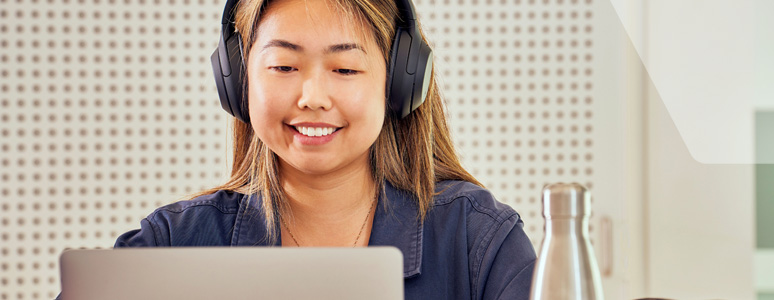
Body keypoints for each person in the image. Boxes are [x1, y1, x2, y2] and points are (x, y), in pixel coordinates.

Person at [113, 0, 537, 298]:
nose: (313, 97)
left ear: (399, 82)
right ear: (238, 82)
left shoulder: (478, 240)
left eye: (345, 68)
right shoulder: (172, 243)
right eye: (283, 66)